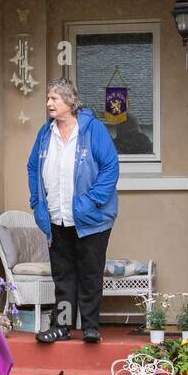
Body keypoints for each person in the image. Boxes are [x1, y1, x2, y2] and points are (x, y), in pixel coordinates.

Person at [26, 78, 119, 344]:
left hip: (91, 219)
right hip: (57, 217)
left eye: (53, 99)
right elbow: (32, 167)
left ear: (69, 101)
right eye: (48, 99)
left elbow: (110, 168)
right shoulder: (45, 134)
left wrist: (89, 202)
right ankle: (63, 326)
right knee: (63, 276)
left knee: (90, 272)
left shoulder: (92, 130)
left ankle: (90, 327)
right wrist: (37, 201)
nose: (48, 104)